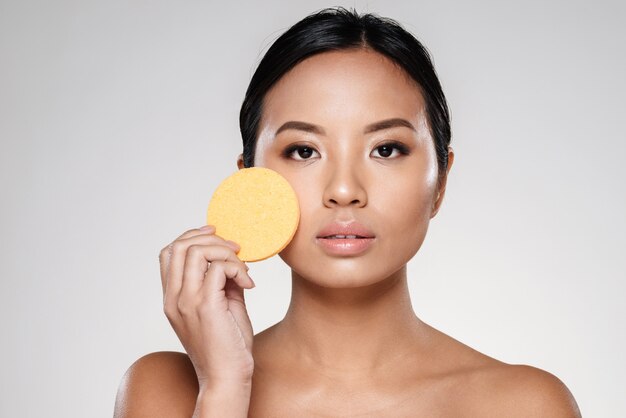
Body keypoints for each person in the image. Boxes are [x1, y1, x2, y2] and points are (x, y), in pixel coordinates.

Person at [114, 7, 581, 417]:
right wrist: (224, 390)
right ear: (248, 183)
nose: (343, 190)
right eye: (302, 151)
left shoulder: (524, 405)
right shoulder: (166, 392)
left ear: (440, 182)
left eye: (387, 149)